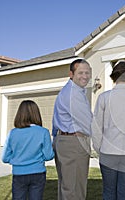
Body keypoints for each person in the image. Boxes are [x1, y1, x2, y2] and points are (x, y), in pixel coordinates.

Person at [91, 60, 125, 200]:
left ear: (114, 77)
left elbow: (96, 126)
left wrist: (99, 148)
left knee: (109, 192)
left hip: (108, 152)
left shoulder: (104, 97)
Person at [52, 58, 92, 200]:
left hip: (65, 140)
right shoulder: (73, 94)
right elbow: (88, 124)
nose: (85, 76)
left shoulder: (70, 91)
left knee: (67, 187)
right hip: (73, 143)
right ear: (71, 74)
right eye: (80, 72)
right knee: (75, 189)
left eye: (88, 72)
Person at [2, 100, 54, 200]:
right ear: (36, 114)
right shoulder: (43, 132)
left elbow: (5, 158)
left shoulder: (12, 133)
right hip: (38, 173)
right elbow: (49, 155)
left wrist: (17, 158)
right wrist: (38, 157)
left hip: (19, 174)